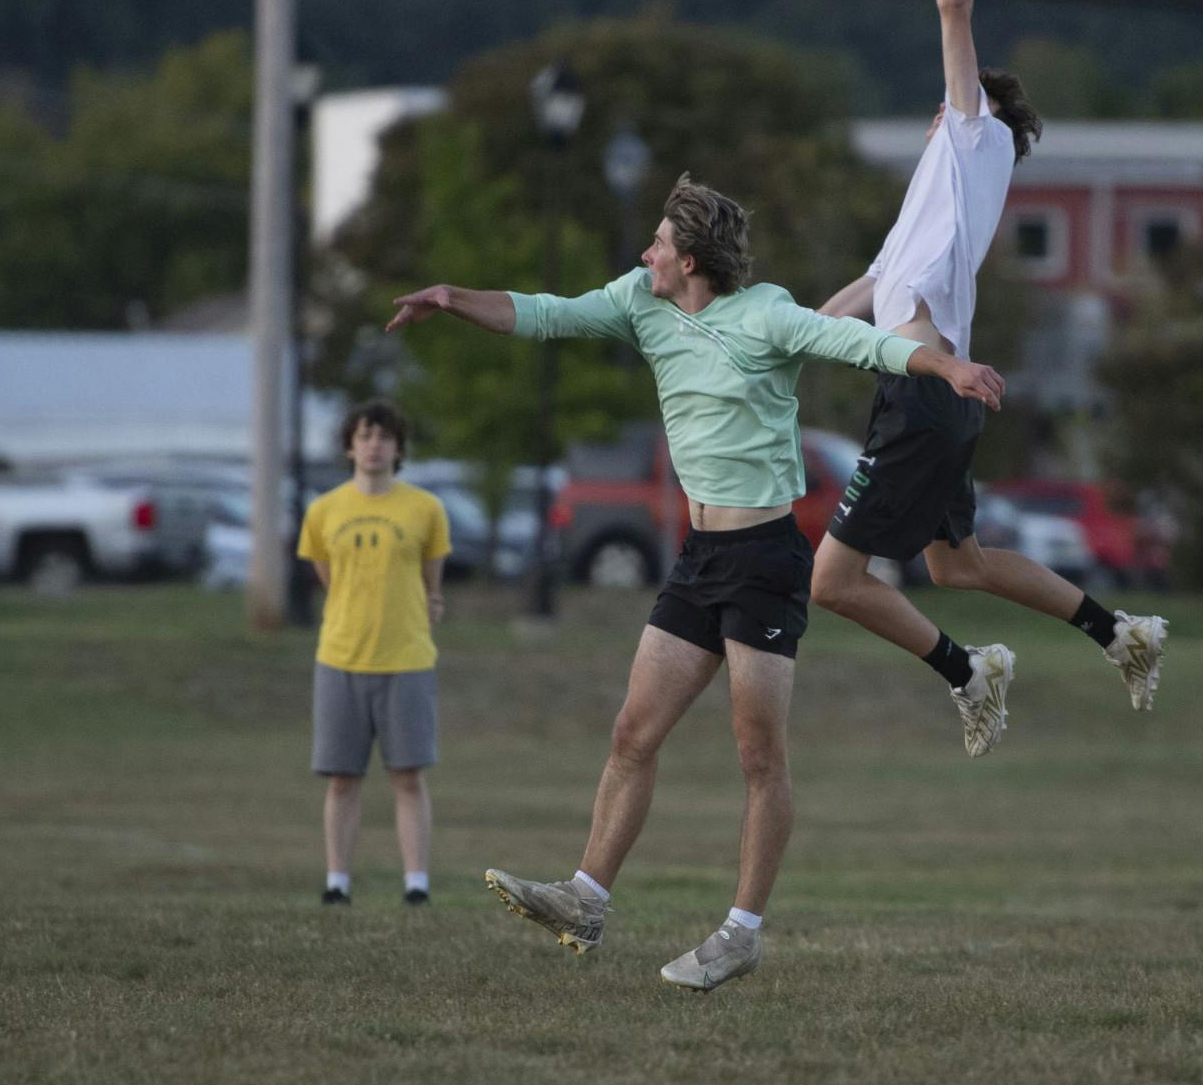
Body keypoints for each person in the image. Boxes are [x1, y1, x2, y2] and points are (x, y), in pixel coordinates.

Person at [386, 175, 1005, 991]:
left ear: (689, 259)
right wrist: (451, 298)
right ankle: (585, 897)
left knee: (758, 756)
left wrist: (943, 365)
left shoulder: (766, 315)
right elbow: (544, 312)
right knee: (632, 734)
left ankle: (742, 931)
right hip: (697, 560)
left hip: (765, 560)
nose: (644, 254)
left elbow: (866, 346)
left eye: (656, 244)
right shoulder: (640, 302)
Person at [808, 0, 1166, 755]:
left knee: (833, 580)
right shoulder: (941, 189)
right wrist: (782, 338)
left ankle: (970, 673)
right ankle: (1118, 632)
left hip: (926, 391)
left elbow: (952, 1)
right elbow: (869, 289)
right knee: (954, 561)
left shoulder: (972, 137)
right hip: (940, 389)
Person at [299, 400, 452, 906]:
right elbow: (326, 575)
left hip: (406, 657)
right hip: (340, 656)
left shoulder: (424, 509)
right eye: (364, 436)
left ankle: (416, 883)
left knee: (408, 775)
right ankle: (337, 881)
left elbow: (432, 584)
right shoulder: (323, 511)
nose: (374, 445)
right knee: (342, 778)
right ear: (349, 446)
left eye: (384, 436)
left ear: (398, 448)